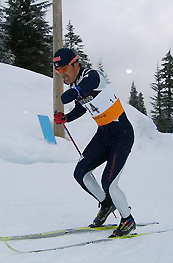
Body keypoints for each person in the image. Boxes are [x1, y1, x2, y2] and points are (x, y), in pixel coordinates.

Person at [53, 48, 136, 237]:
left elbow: (89, 85)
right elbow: (81, 108)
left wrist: (76, 91)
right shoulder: (75, 85)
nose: (62, 74)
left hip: (121, 133)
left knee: (109, 182)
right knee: (80, 173)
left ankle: (128, 219)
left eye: (64, 68)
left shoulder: (93, 76)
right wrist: (66, 118)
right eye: (58, 71)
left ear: (75, 63)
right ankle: (107, 204)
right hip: (104, 134)